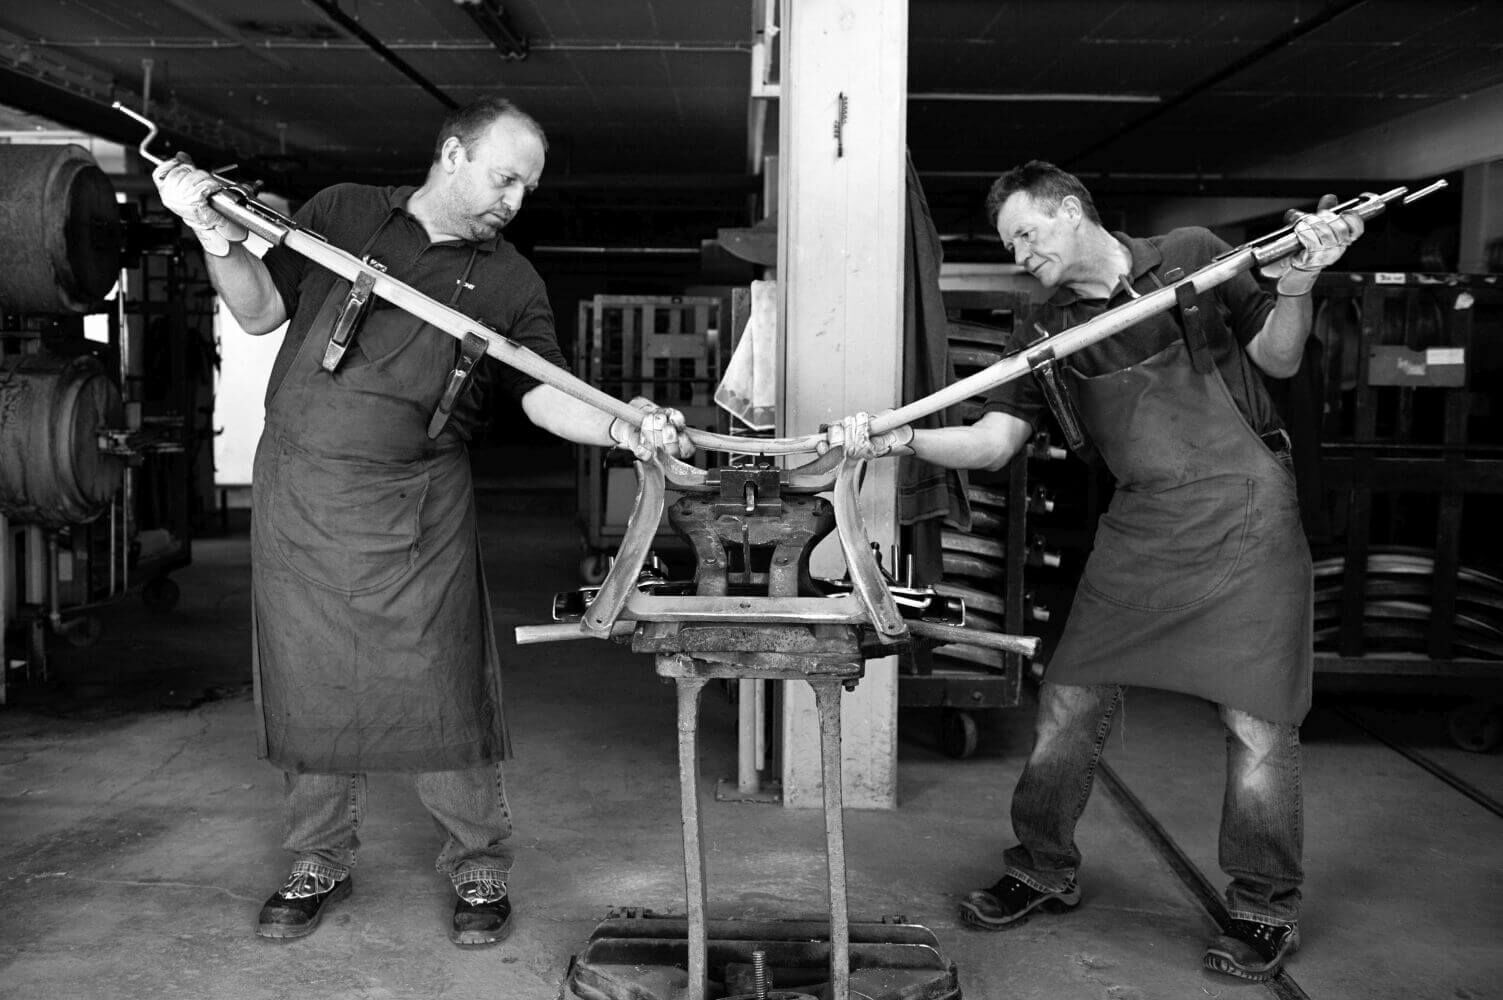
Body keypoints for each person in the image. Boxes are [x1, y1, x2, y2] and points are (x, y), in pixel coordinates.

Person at [151, 95, 693, 947]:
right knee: (308, 676)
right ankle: (316, 858)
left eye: (528, 188)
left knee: (443, 678)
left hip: (420, 498)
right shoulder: (342, 213)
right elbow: (258, 312)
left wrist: (619, 423)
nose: (514, 200)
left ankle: (479, 864)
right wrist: (213, 235)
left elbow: (544, 391)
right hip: (303, 489)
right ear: (452, 154)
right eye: (505, 177)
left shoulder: (511, 279)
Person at [828, 161, 1363, 982]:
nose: (1018, 256)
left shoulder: (1189, 254)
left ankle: (1263, 906)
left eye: (1026, 235)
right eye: (1009, 246)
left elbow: (1279, 362)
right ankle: (1040, 865)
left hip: (1246, 512)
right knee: (1070, 697)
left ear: (1070, 210)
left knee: (1257, 723)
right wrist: (899, 440)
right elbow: (995, 443)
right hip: (1144, 518)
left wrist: (1297, 287)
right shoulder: (1040, 327)